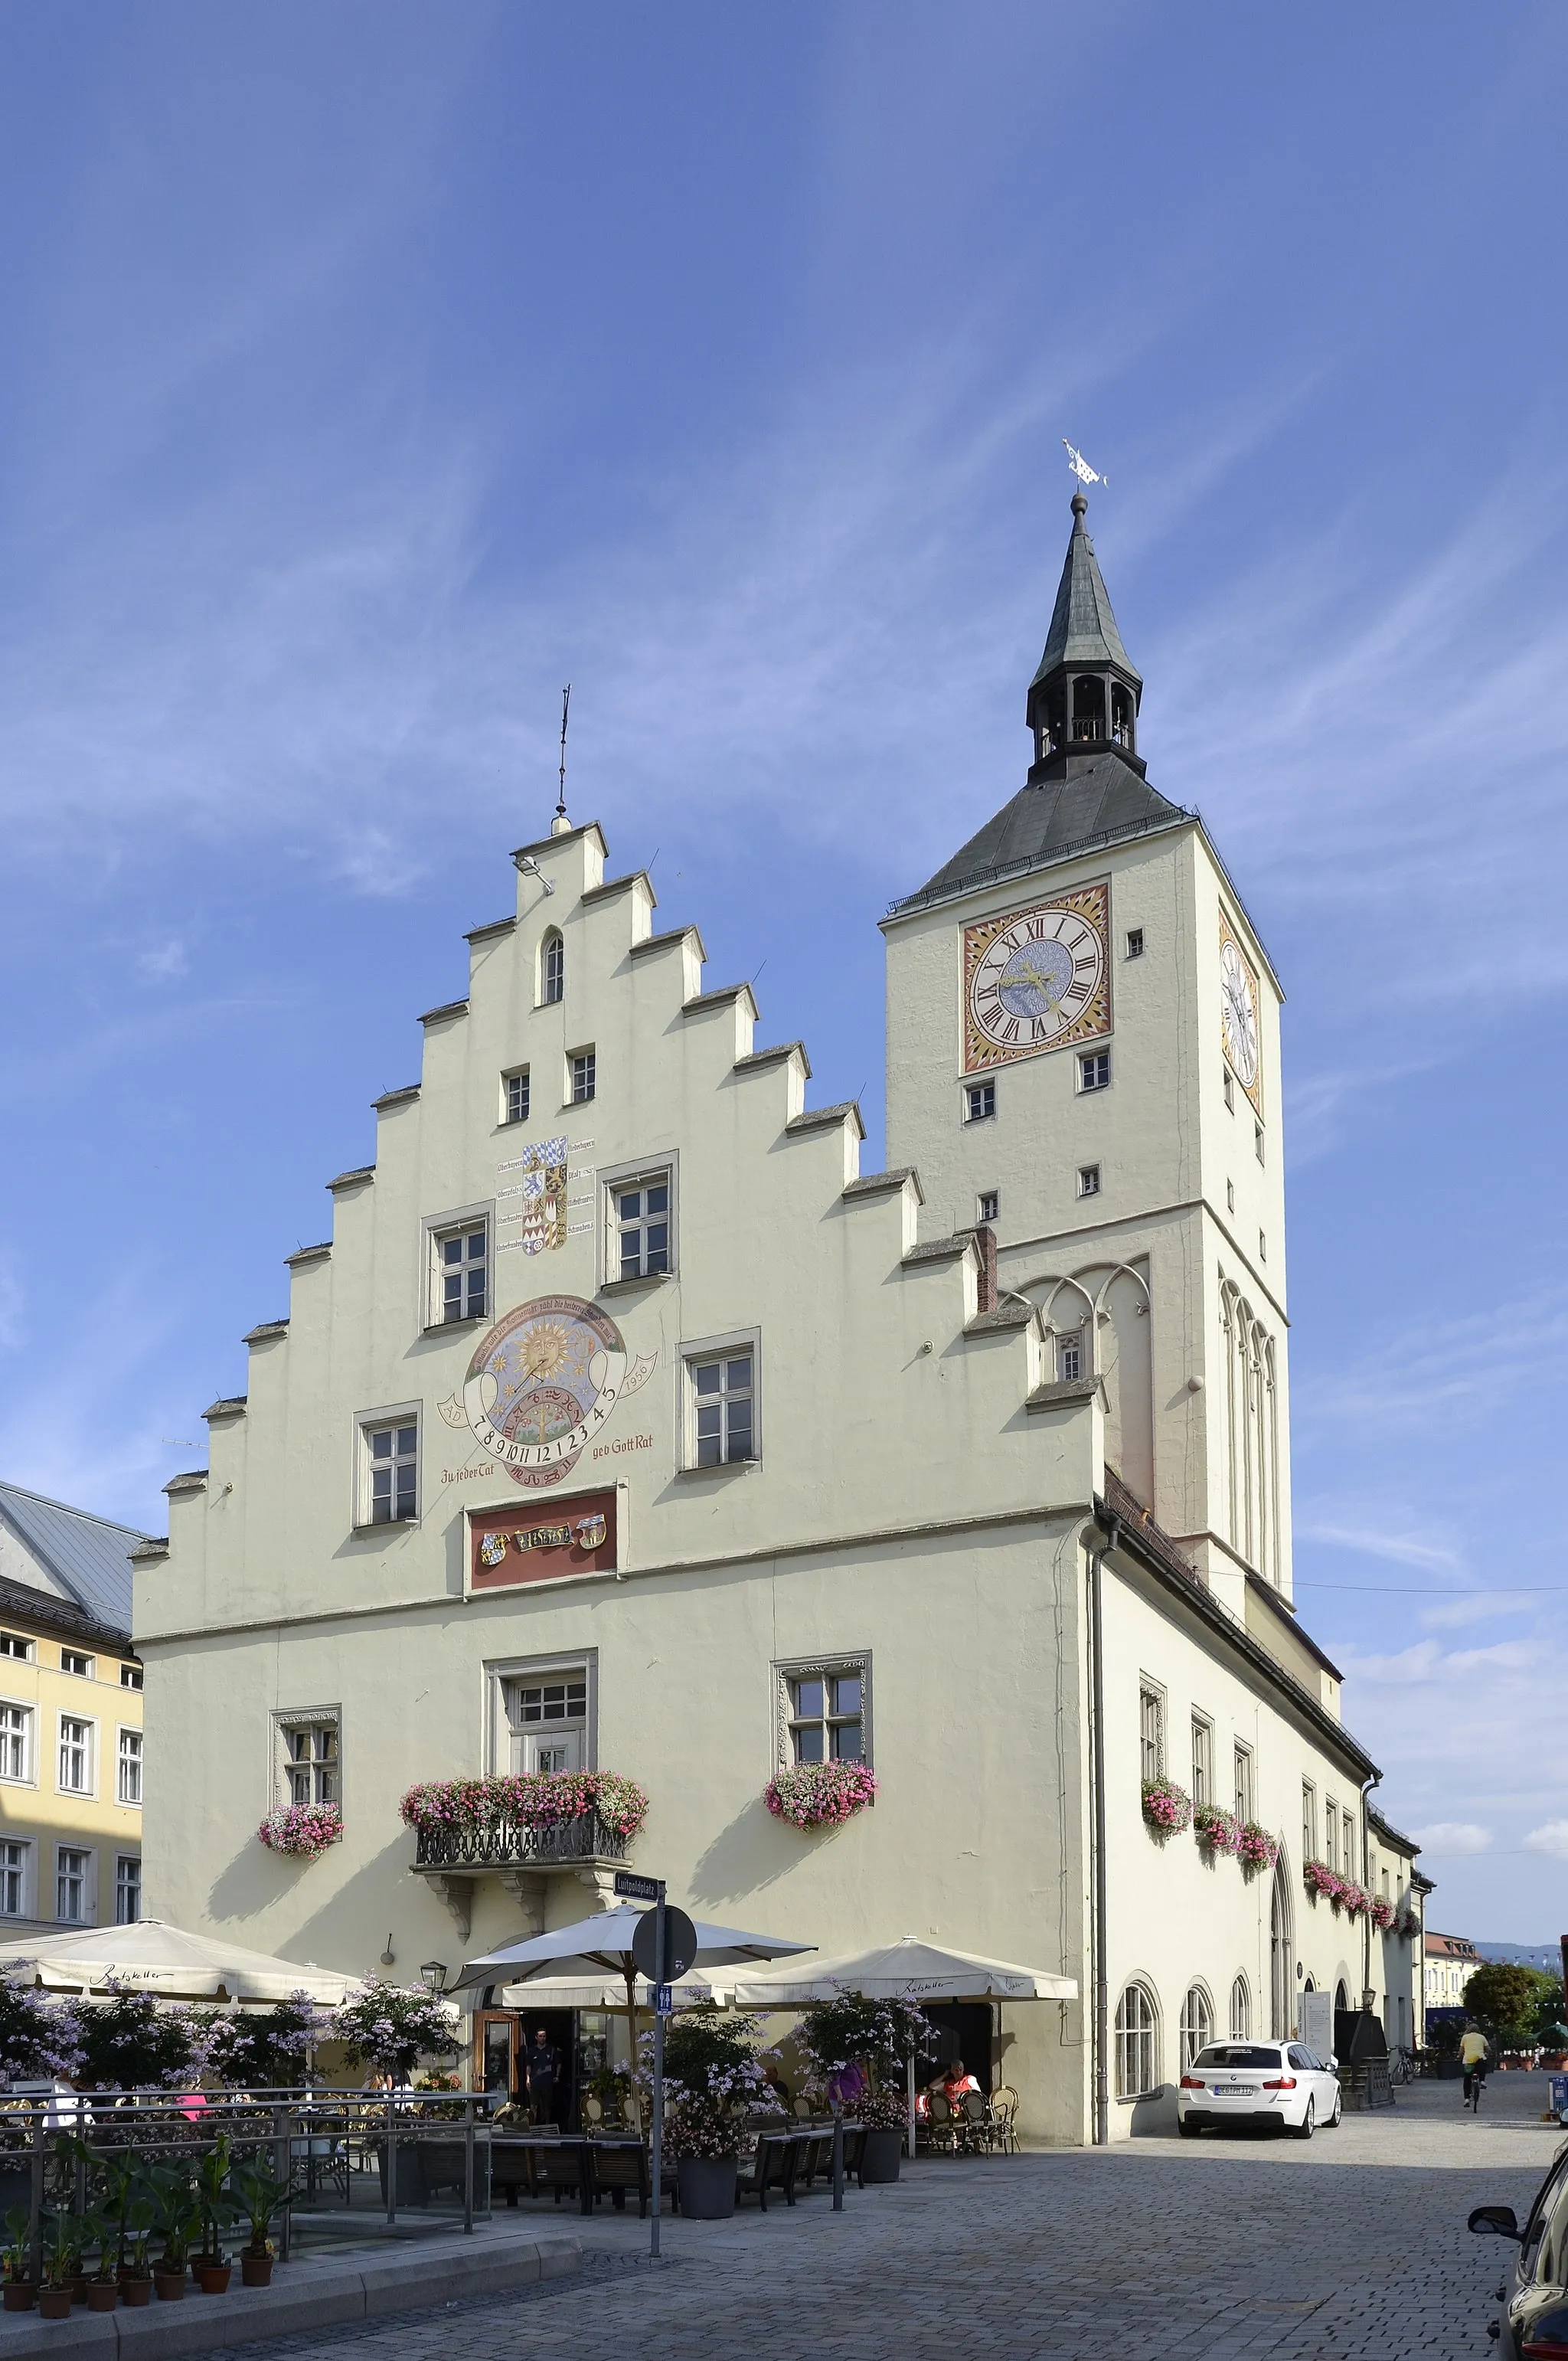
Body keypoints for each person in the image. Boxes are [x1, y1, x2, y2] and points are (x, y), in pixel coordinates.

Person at [524, 2026, 560, 2127]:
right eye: (540, 2036)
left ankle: (547, 2126)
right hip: (535, 2082)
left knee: (547, 2106)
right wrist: (527, 2079)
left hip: (548, 2082)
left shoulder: (551, 2050)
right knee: (533, 2106)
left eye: (544, 2036)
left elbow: (558, 2063)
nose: (542, 2038)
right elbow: (528, 2066)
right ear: (536, 2037)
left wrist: (557, 2075)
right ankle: (532, 2126)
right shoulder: (532, 2051)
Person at [1460, 2022, 1491, 2103]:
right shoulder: (1482, 2037)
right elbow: (1488, 2049)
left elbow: (1461, 2050)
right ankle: (1482, 2081)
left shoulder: (1465, 2037)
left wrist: (1459, 2056)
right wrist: (1488, 2053)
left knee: (1467, 2079)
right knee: (1483, 2066)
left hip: (1468, 2060)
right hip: (1479, 2059)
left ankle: (1467, 2098)